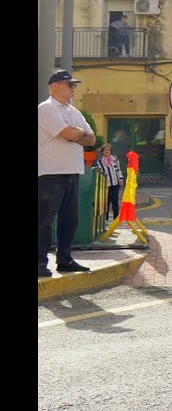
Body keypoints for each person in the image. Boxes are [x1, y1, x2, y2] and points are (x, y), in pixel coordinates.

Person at [38, 70, 96, 277]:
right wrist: (75, 134)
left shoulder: (73, 111)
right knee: (43, 221)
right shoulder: (46, 109)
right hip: (50, 173)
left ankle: (64, 260)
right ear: (54, 86)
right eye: (69, 84)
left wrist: (73, 134)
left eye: (74, 84)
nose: (73, 88)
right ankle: (39, 262)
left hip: (72, 171)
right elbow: (72, 134)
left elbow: (92, 139)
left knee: (70, 220)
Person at [93, 143, 124, 222]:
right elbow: (98, 172)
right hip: (105, 185)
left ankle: (116, 219)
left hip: (115, 183)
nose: (107, 151)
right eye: (105, 150)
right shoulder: (99, 162)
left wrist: (120, 178)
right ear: (102, 151)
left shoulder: (115, 159)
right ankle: (105, 219)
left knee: (115, 201)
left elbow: (118, 169)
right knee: (106, 202)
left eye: (108, 150)